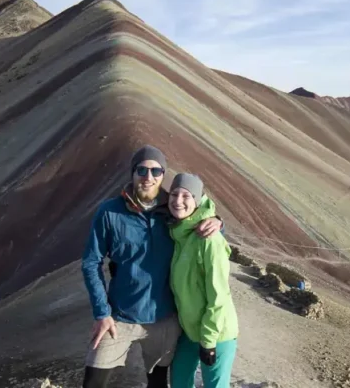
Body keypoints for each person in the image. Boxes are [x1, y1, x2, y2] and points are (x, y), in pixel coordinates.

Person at [81, 146, 223, 388]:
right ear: (133, 173)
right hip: (118, 318)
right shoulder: (110, 212)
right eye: (142, 170)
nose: (149, 177)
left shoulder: (173, 210)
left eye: (156, 171)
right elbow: (91, 262)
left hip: (164, 320)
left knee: (157, 384)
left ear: (163, 175)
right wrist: (101, 312)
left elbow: (199, 216)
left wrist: (218, 221)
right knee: (93, 383)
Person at [168, 173, 239, 388]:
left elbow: (219, 296)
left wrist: (208, 341)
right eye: (174, 194)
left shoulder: (209, 240)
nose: (178, 201)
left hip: (217, 333)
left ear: (198, 201)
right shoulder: (176, 231)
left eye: (186, 196)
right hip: (190, 331)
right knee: (179, 381)